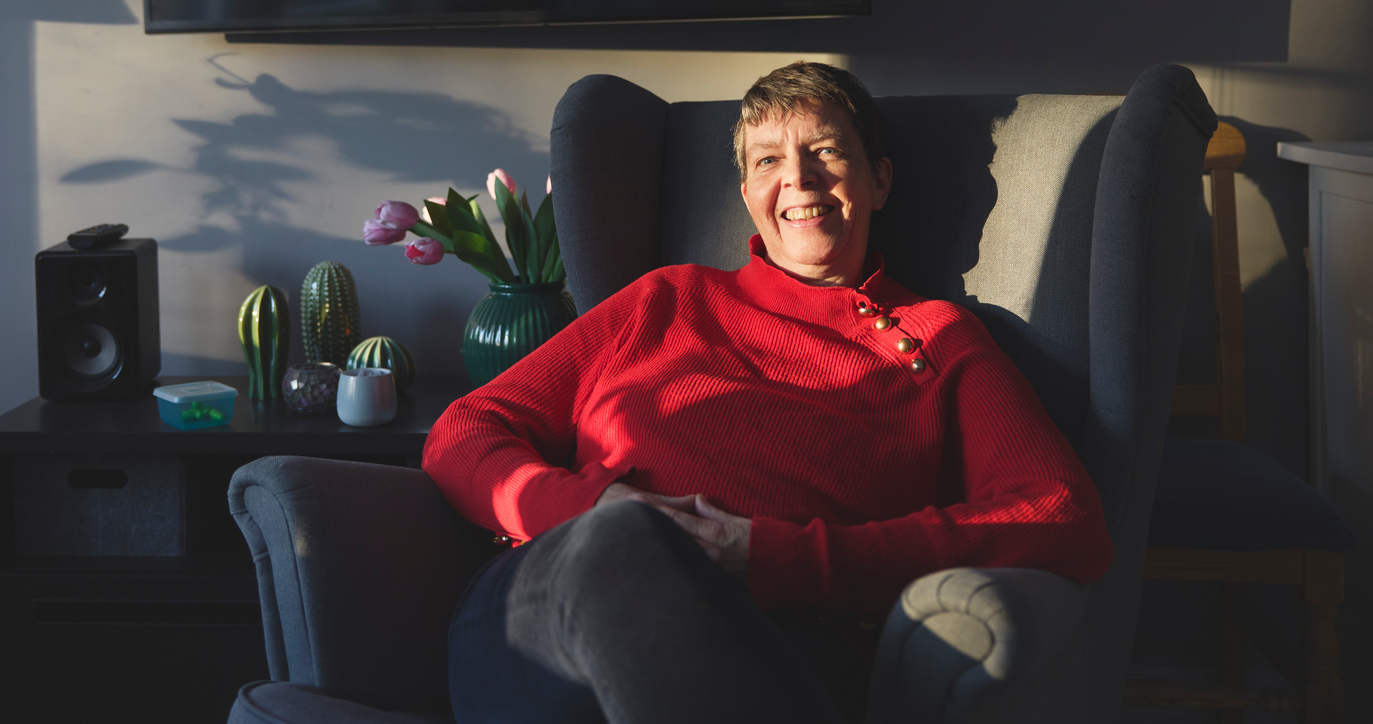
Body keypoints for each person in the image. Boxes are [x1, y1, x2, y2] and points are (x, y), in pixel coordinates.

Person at [422, 61, 1113, 724]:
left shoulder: (940, 339)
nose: (798, 178)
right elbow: (466, 427)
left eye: (825, 151)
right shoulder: (666, 299)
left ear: (879, 180)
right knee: (623, 542)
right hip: (552, 610)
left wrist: (779, 558)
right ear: (748, 194)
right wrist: (591, 506)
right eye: (767, 161)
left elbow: (1062, 514)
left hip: (788, 641)